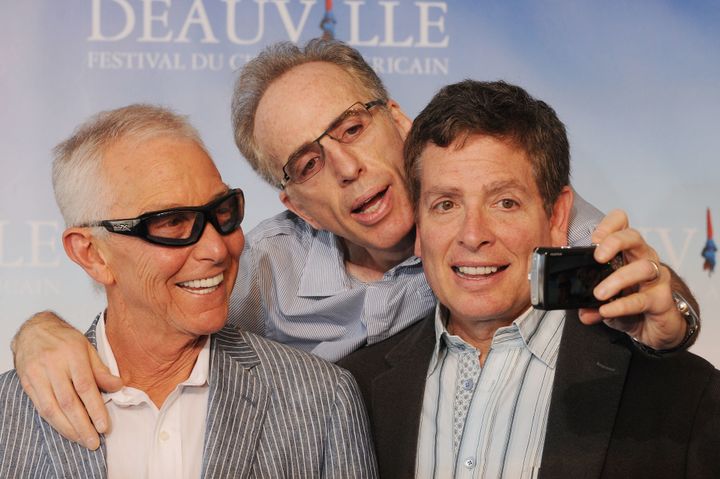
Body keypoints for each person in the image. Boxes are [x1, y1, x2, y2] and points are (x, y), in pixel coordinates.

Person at [11, 40, 698, 449]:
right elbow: (148, 308)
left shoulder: (495, 202)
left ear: (399, 118)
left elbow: (644, 283)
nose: (345, 168)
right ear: (293, 202)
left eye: (351, 129)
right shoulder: (259, 272)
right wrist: (40, 332)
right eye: (307, 163)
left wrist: (675, 316)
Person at [339, 80, 719, 479]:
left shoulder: (683, 396)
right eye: (446, 204)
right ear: (419, 227)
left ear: (557, 218)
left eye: (505, 202)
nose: (473, 234)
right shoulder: (354, 392)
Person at [0, 104, 378, 478]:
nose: (217, 249)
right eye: (172, 223)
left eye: (223, 211)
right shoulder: (11, 409)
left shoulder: (320, 399)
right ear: (92, 253)